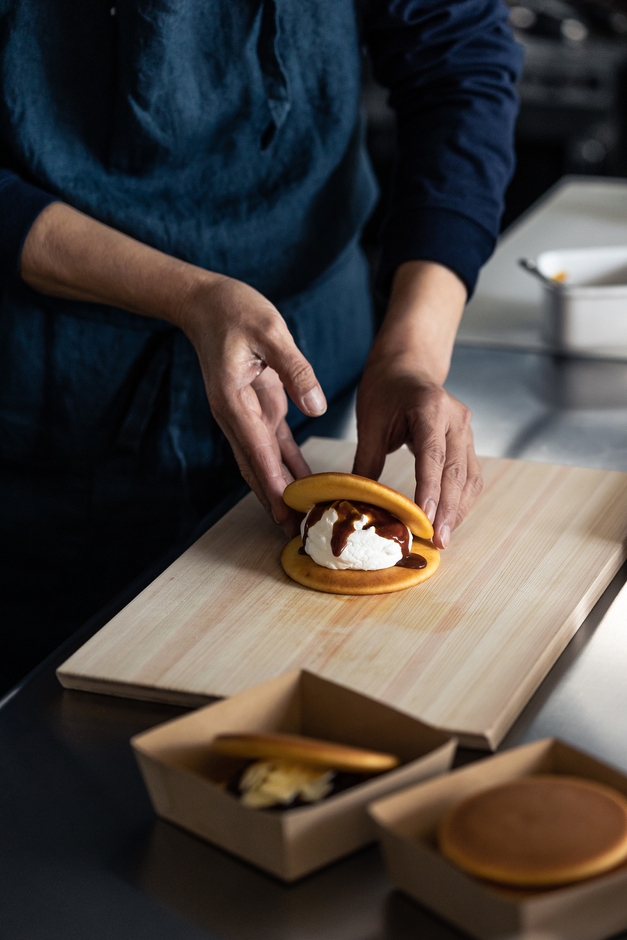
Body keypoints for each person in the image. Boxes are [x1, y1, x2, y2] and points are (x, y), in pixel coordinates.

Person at [0, 0, 521, 689]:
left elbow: (459, 67)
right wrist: (188, 295)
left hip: (320, 376)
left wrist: (410, 355)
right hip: (49, 407)